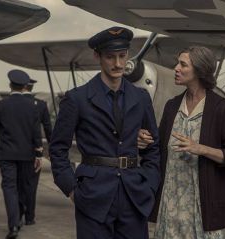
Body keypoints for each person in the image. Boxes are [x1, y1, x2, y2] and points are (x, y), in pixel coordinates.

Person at [49, 26, 161, 239]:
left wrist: (150, 184)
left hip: (134, 195)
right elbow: (57, 149)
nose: (118, 64)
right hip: (92, 196)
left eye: (122, 56)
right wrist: (72, 190)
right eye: (110, 57)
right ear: (97, 56)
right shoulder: (76, 99)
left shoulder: (141, 97)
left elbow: (153, 147)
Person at [138, 46, 225, 238]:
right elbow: (158, 151)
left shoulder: (221, 109)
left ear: (200, 70)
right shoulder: (171, 107)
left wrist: (201, 148)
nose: (176, 68)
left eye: (183, 64)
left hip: (205, 209)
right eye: (177, 63)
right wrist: (144, 143)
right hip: (170, 206)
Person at [0, 70, 43, 239]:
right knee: (23, 187)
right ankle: (21, 215)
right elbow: (35, 132)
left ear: (10, 85)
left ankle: (13, 225)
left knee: (9, 188)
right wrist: (39, 153)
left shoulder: (0, 105)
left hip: (7, 155)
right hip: (27, 154)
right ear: (25, 86)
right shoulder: (33, 106)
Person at [19, 79, 52, 225]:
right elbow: (47, 127)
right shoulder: (41, 105)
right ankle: (30, 217)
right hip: (34, 150)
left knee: (18, 184)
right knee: (31, 185)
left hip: (16, 150)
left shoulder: (13, 104)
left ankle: (18, 213)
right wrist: (51, 146)